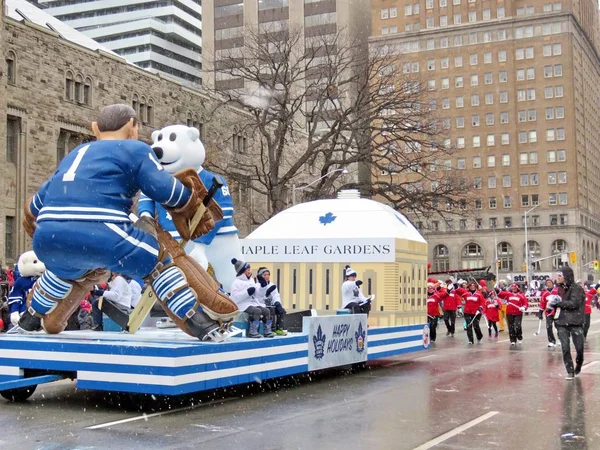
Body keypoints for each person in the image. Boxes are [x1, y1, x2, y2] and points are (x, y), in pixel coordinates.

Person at [15, 104, 236, 342]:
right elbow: (165, 191)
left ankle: (31, 318)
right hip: (103, 232)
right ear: (132, 127)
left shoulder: (75, 154)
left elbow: (36, 205)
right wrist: (190, 201)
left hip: (48, 237)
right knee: (157, 260)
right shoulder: (135, 150)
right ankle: (197, 321)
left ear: (95, 128)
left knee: (63, 269)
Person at [547, 267, 585, 379]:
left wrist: (559, 303)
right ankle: (570, 371)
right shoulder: (558, 289)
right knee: (565, 348)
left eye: (560, 276)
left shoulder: (577, 288)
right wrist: (551, 305)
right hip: (562, 322)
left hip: (575, 322)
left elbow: (575, 303)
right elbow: (557, 302)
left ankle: (579, 362)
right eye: (557, 276)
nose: (557, 278)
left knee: (579, 348)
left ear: (566, 276)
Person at [230, 258, 275, 338]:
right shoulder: (236, 283)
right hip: (242, 304)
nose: (249, 271)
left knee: (266, 310)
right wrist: (247, 293)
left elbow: (257, 294)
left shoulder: (251, 280)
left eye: (249, 269)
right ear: (242, 271)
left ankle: (267, 330)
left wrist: (263, 287)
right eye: (247, 270)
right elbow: (234, 298)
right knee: (257, 311)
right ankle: (252, 331)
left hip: (252, 303)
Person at [256, 267, 287, 335]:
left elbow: (276, 296)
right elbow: (258, 298)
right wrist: (266, 295)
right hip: (262, 305)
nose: (267, 276)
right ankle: (271, 328)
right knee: (271, 310)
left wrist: (277, 303)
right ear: (260, 276)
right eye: (264, 275)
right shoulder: (257, 286)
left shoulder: (272, 285)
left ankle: (279, 328)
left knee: (281, 311)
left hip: (271, 304)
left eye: (268, 274)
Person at [463, 280, 485, 345]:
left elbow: (482, 302)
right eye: (471, 286)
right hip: (467, 312)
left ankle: (479, 337)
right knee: (469, 325)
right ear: (469, 287)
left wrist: (480, 307)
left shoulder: (479, 293)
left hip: (477, 312)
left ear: (475, 286)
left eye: (473, 286)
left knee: (475, 325)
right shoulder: (466, 293)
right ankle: (470, 340)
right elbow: (459, 293)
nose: (472, 287)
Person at [539, 278, 558, 347]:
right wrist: (540, 312)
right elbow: (542, 303)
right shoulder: (545, 293)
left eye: (550, 282)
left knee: (558, 326)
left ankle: (561, 339)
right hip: (548, 313)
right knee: (548, 327)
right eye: (547, 283)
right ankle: (552, 341)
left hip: (557, 312)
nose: (548, 284)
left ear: (552, 283)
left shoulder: (557, 291)